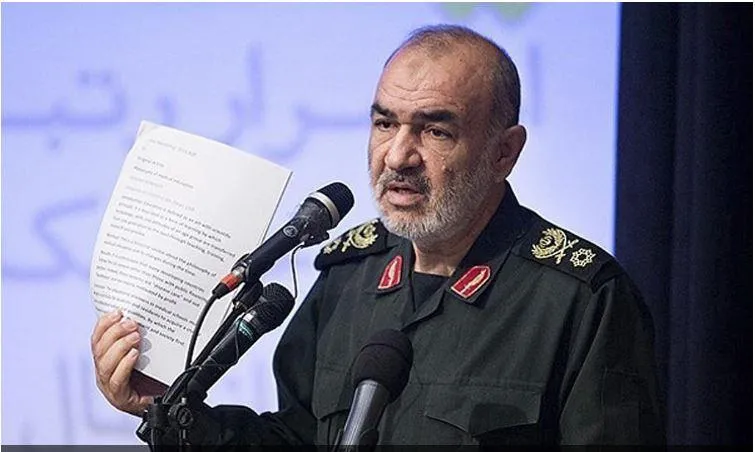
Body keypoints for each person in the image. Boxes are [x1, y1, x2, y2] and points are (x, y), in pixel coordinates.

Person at [91, 24, 664, 445]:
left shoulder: (581, 300)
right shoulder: (347, 275)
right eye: (385, 123)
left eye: (435, 131)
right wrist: (173, 414)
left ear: (504, 153)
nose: (397, 156)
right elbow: (297, 440)